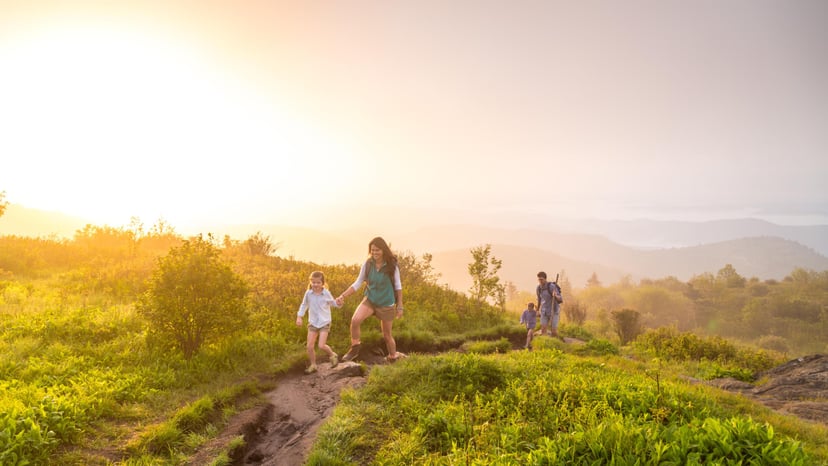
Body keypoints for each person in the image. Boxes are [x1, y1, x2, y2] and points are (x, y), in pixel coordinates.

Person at [335, 237, 404, 363]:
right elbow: (358, 283)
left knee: (387, 335)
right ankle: (355, 348)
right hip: (370, 300)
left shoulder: (392, 266)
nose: (374, 253)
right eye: (372, 250)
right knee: (355, 320)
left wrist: (399, 306)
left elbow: (398, 286)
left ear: (383, 250)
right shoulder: (368, 264)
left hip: (386, 304)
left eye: (377, 250)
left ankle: (393, 357)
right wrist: (343, 296)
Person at [296, 271, 341, 374]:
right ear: (310, 282)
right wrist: (299, 317)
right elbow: (304, 305)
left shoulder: (326, 293)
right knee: (309, 346)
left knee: (321, 345)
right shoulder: (308, 293)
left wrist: (339, 303)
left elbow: (333, 303)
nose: (315, 285)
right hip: (313, 322)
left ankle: (332, 355)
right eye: (313, 282)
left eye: (318, 282)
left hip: (324, 322)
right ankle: (313, 365)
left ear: (322, 283)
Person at [536, 271, 561, 337]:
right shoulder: (538, 288)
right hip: (544, 311)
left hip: (554, 311)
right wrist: (537, 310)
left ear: (545, 279)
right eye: (539, 279)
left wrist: (555, 296)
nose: (540, 281)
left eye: (541, 279)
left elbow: (560, 300)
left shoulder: (552, 286)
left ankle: (556, 344)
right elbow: (539, 299)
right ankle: (545, 345)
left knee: (554, 331)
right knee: (543, 330)